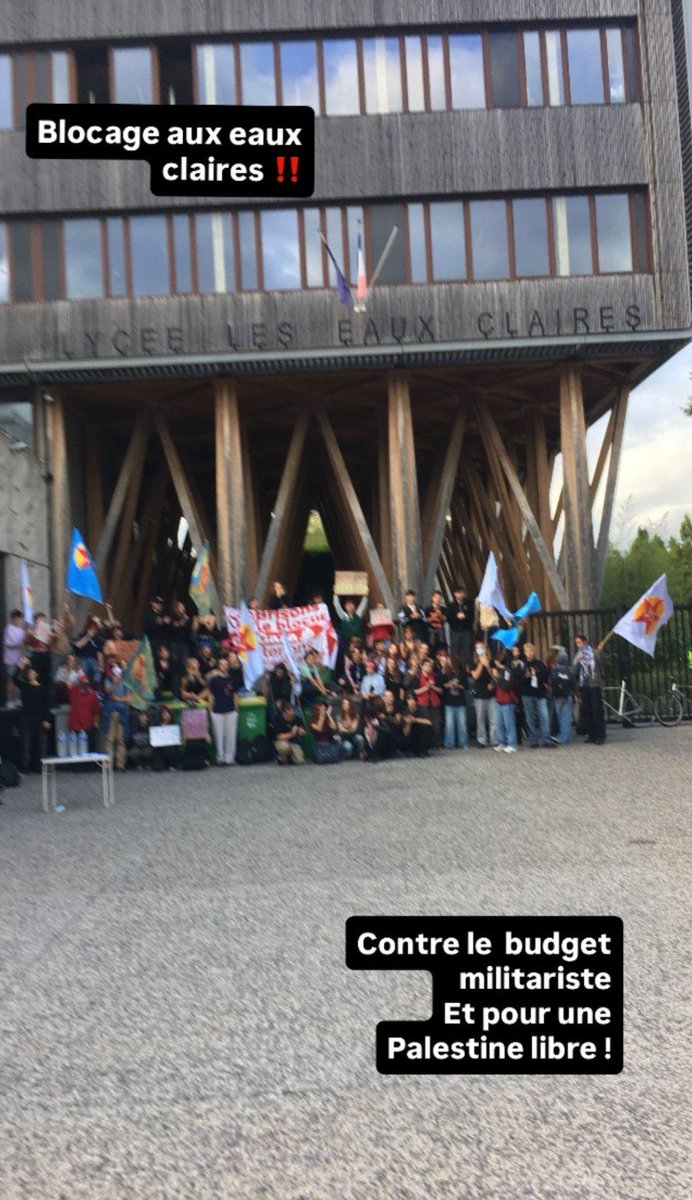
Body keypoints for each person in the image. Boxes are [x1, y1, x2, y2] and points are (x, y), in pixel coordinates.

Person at [573, 633, 607, 745]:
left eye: (579, 642)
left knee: (597, 710)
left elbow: (603, 663)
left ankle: (600, 735)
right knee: (587, 711)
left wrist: (600, 651)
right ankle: (591, 734)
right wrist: (577, 661)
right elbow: (574, 671)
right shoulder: (578, 654)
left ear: (584, 642)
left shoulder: (594, 652)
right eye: (576, 643)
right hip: (584, 684)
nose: (578, 645)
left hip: (594, 683)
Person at [17, 663, 51, 771]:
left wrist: (46, 719)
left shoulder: (42, 688)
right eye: (29, 673)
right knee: (25, 743)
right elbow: (15, 679)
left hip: (39, 718)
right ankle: (25, 766)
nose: (30, 674)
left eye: (32, 672)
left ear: (36, 674)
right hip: (26, 718)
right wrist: (20, 668)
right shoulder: (25, 686)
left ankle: (41, 766)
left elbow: (46, 705)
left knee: (41, 744)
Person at [208, 657, 238, 765]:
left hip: (230, 709)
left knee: (231, 734)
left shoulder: (233, 679)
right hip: (217, 710)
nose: (224, 666)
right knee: (219, 734)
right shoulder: (214, 680)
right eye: (221, 664)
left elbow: (235, 695)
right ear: (218, 666)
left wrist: (236, 709)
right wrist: (210, 710)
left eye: (226, 664)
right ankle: (220, 757)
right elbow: (211, 695)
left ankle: (230, 757)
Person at [520, 644, 552, 749]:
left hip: (540, 693)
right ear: (524, 653)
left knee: (544, 716)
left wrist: (535, 676)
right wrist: (527, 677)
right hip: (527, 694)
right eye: (527, 651)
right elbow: (519, 679)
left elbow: (545, 676)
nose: (529, 653)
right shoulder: (522, 665)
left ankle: (546, 739)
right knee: (530, 718)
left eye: (530, 651)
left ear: (534, 652)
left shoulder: (540, 664)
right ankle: (533, 740)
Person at [491, 652, 521, 753]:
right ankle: (502, 742)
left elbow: (506, 686)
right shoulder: (499, 671)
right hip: (499, 700)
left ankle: (511, 743)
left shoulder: (507, 671)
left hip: (507, 700)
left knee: (509, 723)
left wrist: (497, 679)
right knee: (499, 723)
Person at [438, 649, 468, 749]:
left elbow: (466, 686)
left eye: (450, 660)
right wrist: (449, 685)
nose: (448, 661)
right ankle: (449, 743)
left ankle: (462, 742)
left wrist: (458, 686)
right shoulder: (445, 672)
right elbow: (441, 685)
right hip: (449, 701)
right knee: (449, 724)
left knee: (462, 724)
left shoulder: (462, 673)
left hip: (460, 701)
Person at [470, 641, 496, 748]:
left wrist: (488, 665)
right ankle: (482, 740)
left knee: (493, 719)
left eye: (482, 648)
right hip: (479, 694)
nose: (480, 650)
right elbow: (475, 676)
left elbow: (494, 676)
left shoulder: (491, 661)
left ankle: (495, 739)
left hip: (491, 693)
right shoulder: (472, 662)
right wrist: (481, 663)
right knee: (480, 719)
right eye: (478, 648)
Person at [68, 671, 101, 752]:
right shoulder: (74, 692)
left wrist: (96, 722)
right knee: (75, 749)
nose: (85, 685)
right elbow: (67, 684)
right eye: (82, 683)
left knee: (90, 748)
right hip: (75, 724)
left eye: (86, 683)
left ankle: (91, 763)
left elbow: (96, 710)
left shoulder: (93, 694)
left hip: (88, 724)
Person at [548, 649, 575, 745]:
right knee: (566, 716)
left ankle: (562, 736)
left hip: (557, 695)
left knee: (560, 716)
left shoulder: (554, 669)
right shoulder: (570, 670)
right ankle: (565, 736)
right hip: (567, 694)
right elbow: (573, 682)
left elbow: (551, 681)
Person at [414, 658, 443, 747]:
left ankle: (435, 744)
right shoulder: (417, 677)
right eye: (426, 665)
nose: (428, 668)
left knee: (436, 725)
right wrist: (426, 687)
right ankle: (426, 745)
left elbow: (441, 690)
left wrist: (432, 687)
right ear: (422, 666)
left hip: (433, 703)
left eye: (430, 666)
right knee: (425, 725)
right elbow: (415, 691)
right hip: (422, 704)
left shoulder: (435, 676)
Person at [447, 587, 474, 667]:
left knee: (467, 651)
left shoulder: (469, 604)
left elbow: (472, 616)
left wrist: (465, 616)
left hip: (466, 630)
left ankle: (468, 668)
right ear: (455, 594)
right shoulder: (452, 605)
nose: (460, 594)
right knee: (455, 651)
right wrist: (457, 616)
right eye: (458, 592)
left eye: (462, 592)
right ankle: (455, 668)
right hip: (455, 631)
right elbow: (449, 618)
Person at [3, 609, 25, 704]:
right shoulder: (8, 629)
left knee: (18, 680)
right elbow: (7, 643)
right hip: (10, 659)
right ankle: (9, 700)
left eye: (20, 618)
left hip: (20, 659)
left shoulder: (21, 630)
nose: (18, 620)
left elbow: (24, 644)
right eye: (16, 618)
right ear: (13, 619)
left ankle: (17, 699)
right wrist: (18, 644)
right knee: (11, 680)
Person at [151, 706, 181, 771]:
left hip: (171, 747)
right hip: (159, 748)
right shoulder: (156, 724)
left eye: (168, 714)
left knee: (170, 751)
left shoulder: (173, 724)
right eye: (164, 714)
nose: (166, 716)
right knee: (158, 768)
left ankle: (172, 764)